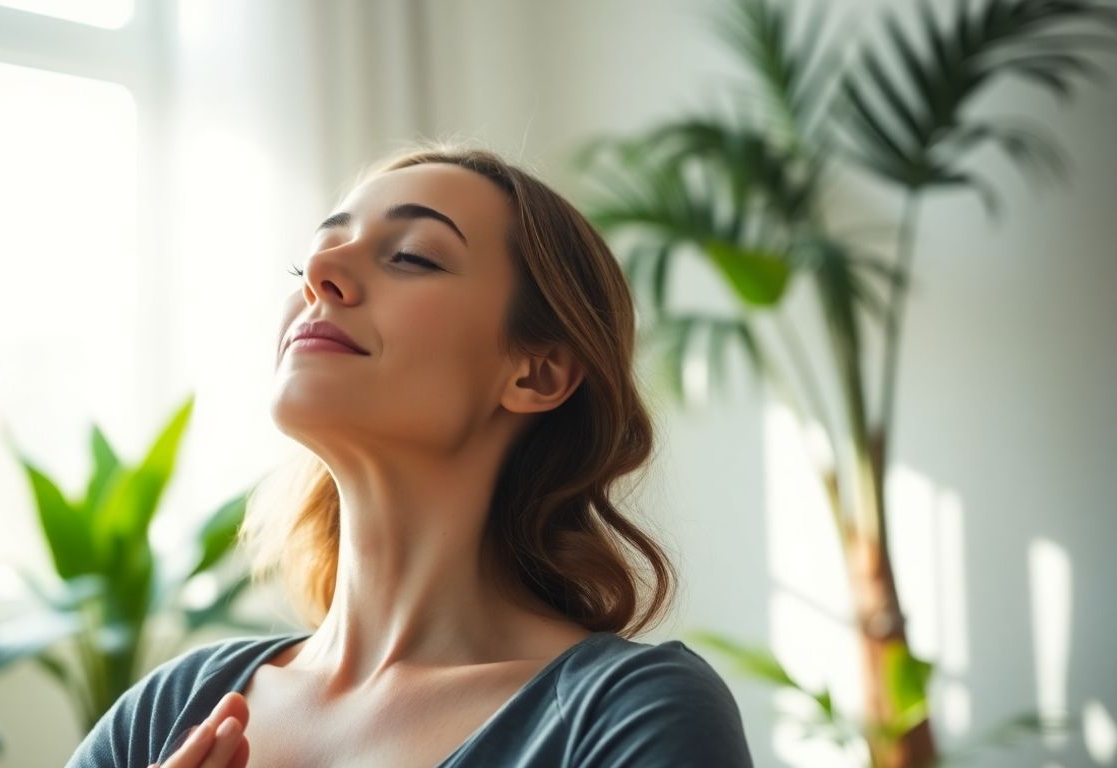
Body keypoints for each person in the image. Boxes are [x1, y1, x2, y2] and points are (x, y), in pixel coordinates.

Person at [65, 144, 754, 767]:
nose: (319, 274)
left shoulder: (628, 713)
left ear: (537, 373)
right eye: (309, 259)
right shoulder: (166, 713)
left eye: (411, 256)